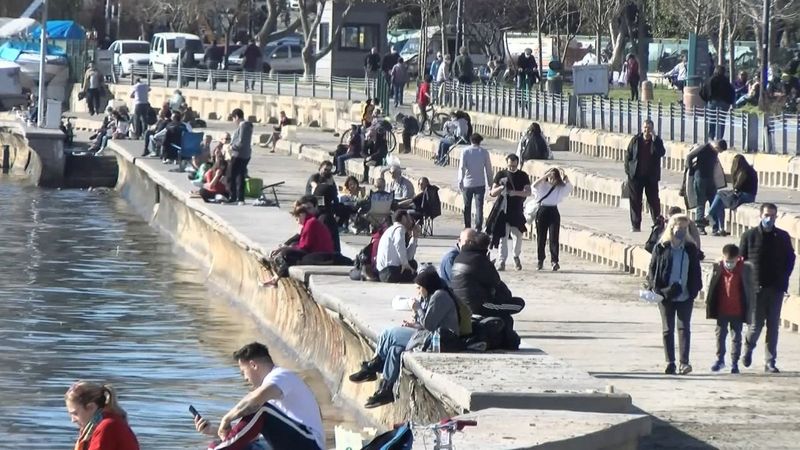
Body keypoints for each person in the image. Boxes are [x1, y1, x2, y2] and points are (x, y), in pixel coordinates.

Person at [348, 270, 462, 408]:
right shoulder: (432, 295)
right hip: (428, 335)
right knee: (394, 349)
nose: (418, 292)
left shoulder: (440, 296)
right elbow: (427, 323)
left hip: (439, 339)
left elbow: (429, 325)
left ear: (427, 286)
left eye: (419, 288)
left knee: (390, 334)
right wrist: (414, 323)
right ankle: (386, 389)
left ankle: (374, 366)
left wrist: (418, 308)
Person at [194, 343, 324, 450]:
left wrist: (226, 419)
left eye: (243, 372)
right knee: (215, 445)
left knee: (259, 407)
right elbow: (249, 432)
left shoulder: (281, 376)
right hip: (295, 442)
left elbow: (255, 400)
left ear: (253, 365)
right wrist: (215, 430)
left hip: (310, 444)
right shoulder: (270, 392)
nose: (245, 378)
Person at [740, 203, 796, 373]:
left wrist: (784, 277)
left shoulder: (782, 237)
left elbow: (790, 258)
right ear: (760, 215)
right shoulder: (749, 236)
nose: (769, 219)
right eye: (766, 215)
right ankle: (748, 348)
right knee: (756, 326)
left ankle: (770, 361)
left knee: (773, 326)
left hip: (776, 287)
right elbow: (741, 261)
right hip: (756, 288)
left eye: (772, 216)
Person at [647, 214, 703, 375]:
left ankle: (684, 362)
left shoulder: (690, 248)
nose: (683, 231)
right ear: (672, 228)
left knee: (684, 327)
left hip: (685, 294)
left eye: (686, 228)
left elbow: (696, 271)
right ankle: (670, 362)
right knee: (668, 328)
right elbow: (652, 269)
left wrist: (695, 289)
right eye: (680, 227)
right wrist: (656, 288)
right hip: (665, 294)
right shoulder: (661, 247)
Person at [450, 232, 525, 349]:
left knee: (504, 313)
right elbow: (497, 283)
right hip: (480, 306)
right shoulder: (480, 260)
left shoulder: (459, 257)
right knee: (518, 304)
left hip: (462, 306)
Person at [706, 244, 756, 374]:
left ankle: (734, 362)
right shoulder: (718, 268)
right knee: (720, 336)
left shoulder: (744, 270)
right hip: (722, 309)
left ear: (737, 258)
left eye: (732, 262)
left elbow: (751, 289)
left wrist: (750, 308)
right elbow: (710, 285)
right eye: (727, 261)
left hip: (737, 310)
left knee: (736, 337)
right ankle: (720, 359)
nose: (729, 264)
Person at [260, 204, 336, 286]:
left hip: (321, 254)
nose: (297, 222)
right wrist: (289, 246)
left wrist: (286, 248)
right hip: (318, 252)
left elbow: (305, 246)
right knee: (289, 251)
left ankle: (275, 279)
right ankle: (275, 279)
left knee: (287, 254)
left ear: (301, 215)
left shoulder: (310, 223)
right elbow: (303, 243)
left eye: (297, 219)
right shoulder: (311, 221)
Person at [65, 381, 139, 450]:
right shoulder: (94, 427)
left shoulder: (107, 427)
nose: (73, 420)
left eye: (75, 413)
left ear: (91, 407)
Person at [488, 154, 531, 271]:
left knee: (518, 235)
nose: (511, 168)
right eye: (510, 165)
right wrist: (501, 188)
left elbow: (528, 192)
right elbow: (492, 192)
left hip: (516, 209)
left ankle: (516, 256)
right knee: (503, 237)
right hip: (503, 209)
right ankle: (502, 261)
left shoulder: (523, 175)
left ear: (517, 164)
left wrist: (515, 193)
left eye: (514, 166)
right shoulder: (501, 174)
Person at [624, 119, 666, 232]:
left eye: (649, 128)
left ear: (652, 129)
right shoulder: (635, 140)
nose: (647, 130)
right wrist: (629, 172)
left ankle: (657, 224)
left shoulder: (657, 141)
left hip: (651, 177)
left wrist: (655, 140)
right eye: (645, 128)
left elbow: (661, 152)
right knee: (635, 201)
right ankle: (635, 225)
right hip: (636, 176)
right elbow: (628, 156)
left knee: (653, 201)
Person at [707, 154, 758, 236]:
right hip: (747, 195)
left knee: (720, 194)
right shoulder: (749, 170)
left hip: (745, 196)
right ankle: (721, 229)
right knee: (720, 202)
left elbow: (737, 186)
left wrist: (733, 174)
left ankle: (710, 215)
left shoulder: (744, 172)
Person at [532, 167, 572, 271]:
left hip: (553, 210)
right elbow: (534, 186)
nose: (551, 179)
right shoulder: (542, 185)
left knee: (554, 237)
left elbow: (569, 188)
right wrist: (545, 176)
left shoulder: (559, 187)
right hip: (542, 210)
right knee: (541, 237)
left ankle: (554, 261)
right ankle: (540, 260)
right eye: (550, 177)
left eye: (554, 177)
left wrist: (565, 177)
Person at [684, 139, 727, 234]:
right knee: (701, 203)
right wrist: (691, 170)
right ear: (717, 146)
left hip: (711, 180)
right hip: (700, 178)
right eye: (719, 150)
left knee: (714, 203)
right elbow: (689, 157)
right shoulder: (704, 147)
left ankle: (715, 228)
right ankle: (700, 227)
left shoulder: (714, 152)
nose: (719, 152)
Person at [458, 133, 493, 230]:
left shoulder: (465, 151)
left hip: (467, 183)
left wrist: (460, 180)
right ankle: (478, 227)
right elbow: (488, 169)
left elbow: (462, 168)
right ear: (480, 141)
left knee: (467, 206)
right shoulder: (484, 152)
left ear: (470, 140)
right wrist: (490, 183)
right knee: (479, 207)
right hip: (480, 183)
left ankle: (467, 227)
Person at [375, 210, 419, 283]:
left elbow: (409, 257)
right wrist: (405, 263)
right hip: (390, 272)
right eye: (410, 219)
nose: (412, 222)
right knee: (415, 273)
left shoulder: (392, 229)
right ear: (403, 218)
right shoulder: (399, 228)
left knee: (413, 263)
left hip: (385, 273)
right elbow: (399, 244)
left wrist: (414, 238)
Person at [700, 65, 735, 140]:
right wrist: (729, 102)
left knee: (712, 119)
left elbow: (703, 91)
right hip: (724, 103)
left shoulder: (710, 80)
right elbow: (731, 92)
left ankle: (711, 137)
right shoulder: (726, 81)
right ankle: (719, 138)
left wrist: (707, 100)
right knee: (721, 120)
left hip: (713, 102)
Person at [227, 108, 253, 205]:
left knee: (231, 175)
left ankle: (233, 196)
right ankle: (240, 198)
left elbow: (242, 142)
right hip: (244, 154)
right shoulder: (246, 125)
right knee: (240, 176)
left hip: (239, 154)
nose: (234, 121)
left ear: (237, 117)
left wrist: (231, 147)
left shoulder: (244, 126)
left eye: (233, 119)